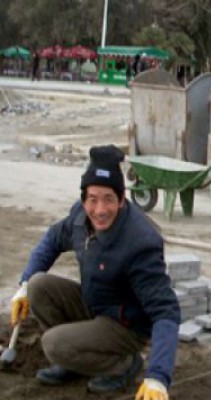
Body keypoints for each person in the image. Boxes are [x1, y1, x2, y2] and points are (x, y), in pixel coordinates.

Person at [10, 145, 180, 399]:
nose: (100, 210)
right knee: (38, 286)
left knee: (54, 344)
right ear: (83, 199)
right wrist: (24, 283)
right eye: (93, 199)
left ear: (122, 200)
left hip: (126, 326)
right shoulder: (80, 218)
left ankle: (122, 365)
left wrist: (158, 375)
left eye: (109, 199)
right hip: (97, 304)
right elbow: (52, 240)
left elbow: (166, 311)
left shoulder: (140, 242)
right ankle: (77, 361)